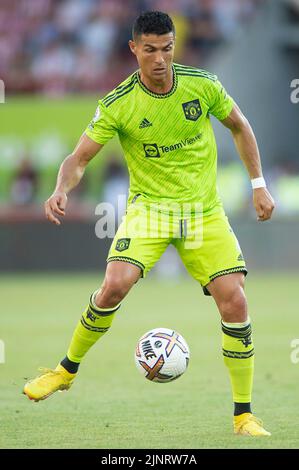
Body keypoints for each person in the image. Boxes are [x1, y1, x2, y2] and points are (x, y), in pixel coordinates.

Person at [23, 11, 275, 437]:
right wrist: (61, 188)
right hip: (150, 211)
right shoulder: (119, 103)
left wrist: (258, 184)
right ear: (134, 49)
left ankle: (243, 415)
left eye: (168, 48)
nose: (160, 59)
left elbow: (240, 126)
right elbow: (79, 158)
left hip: (203, 211)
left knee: (234, 300)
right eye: (151, 50)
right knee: (114, 285)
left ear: (174, 46)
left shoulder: (202, 84)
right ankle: (65, 371)